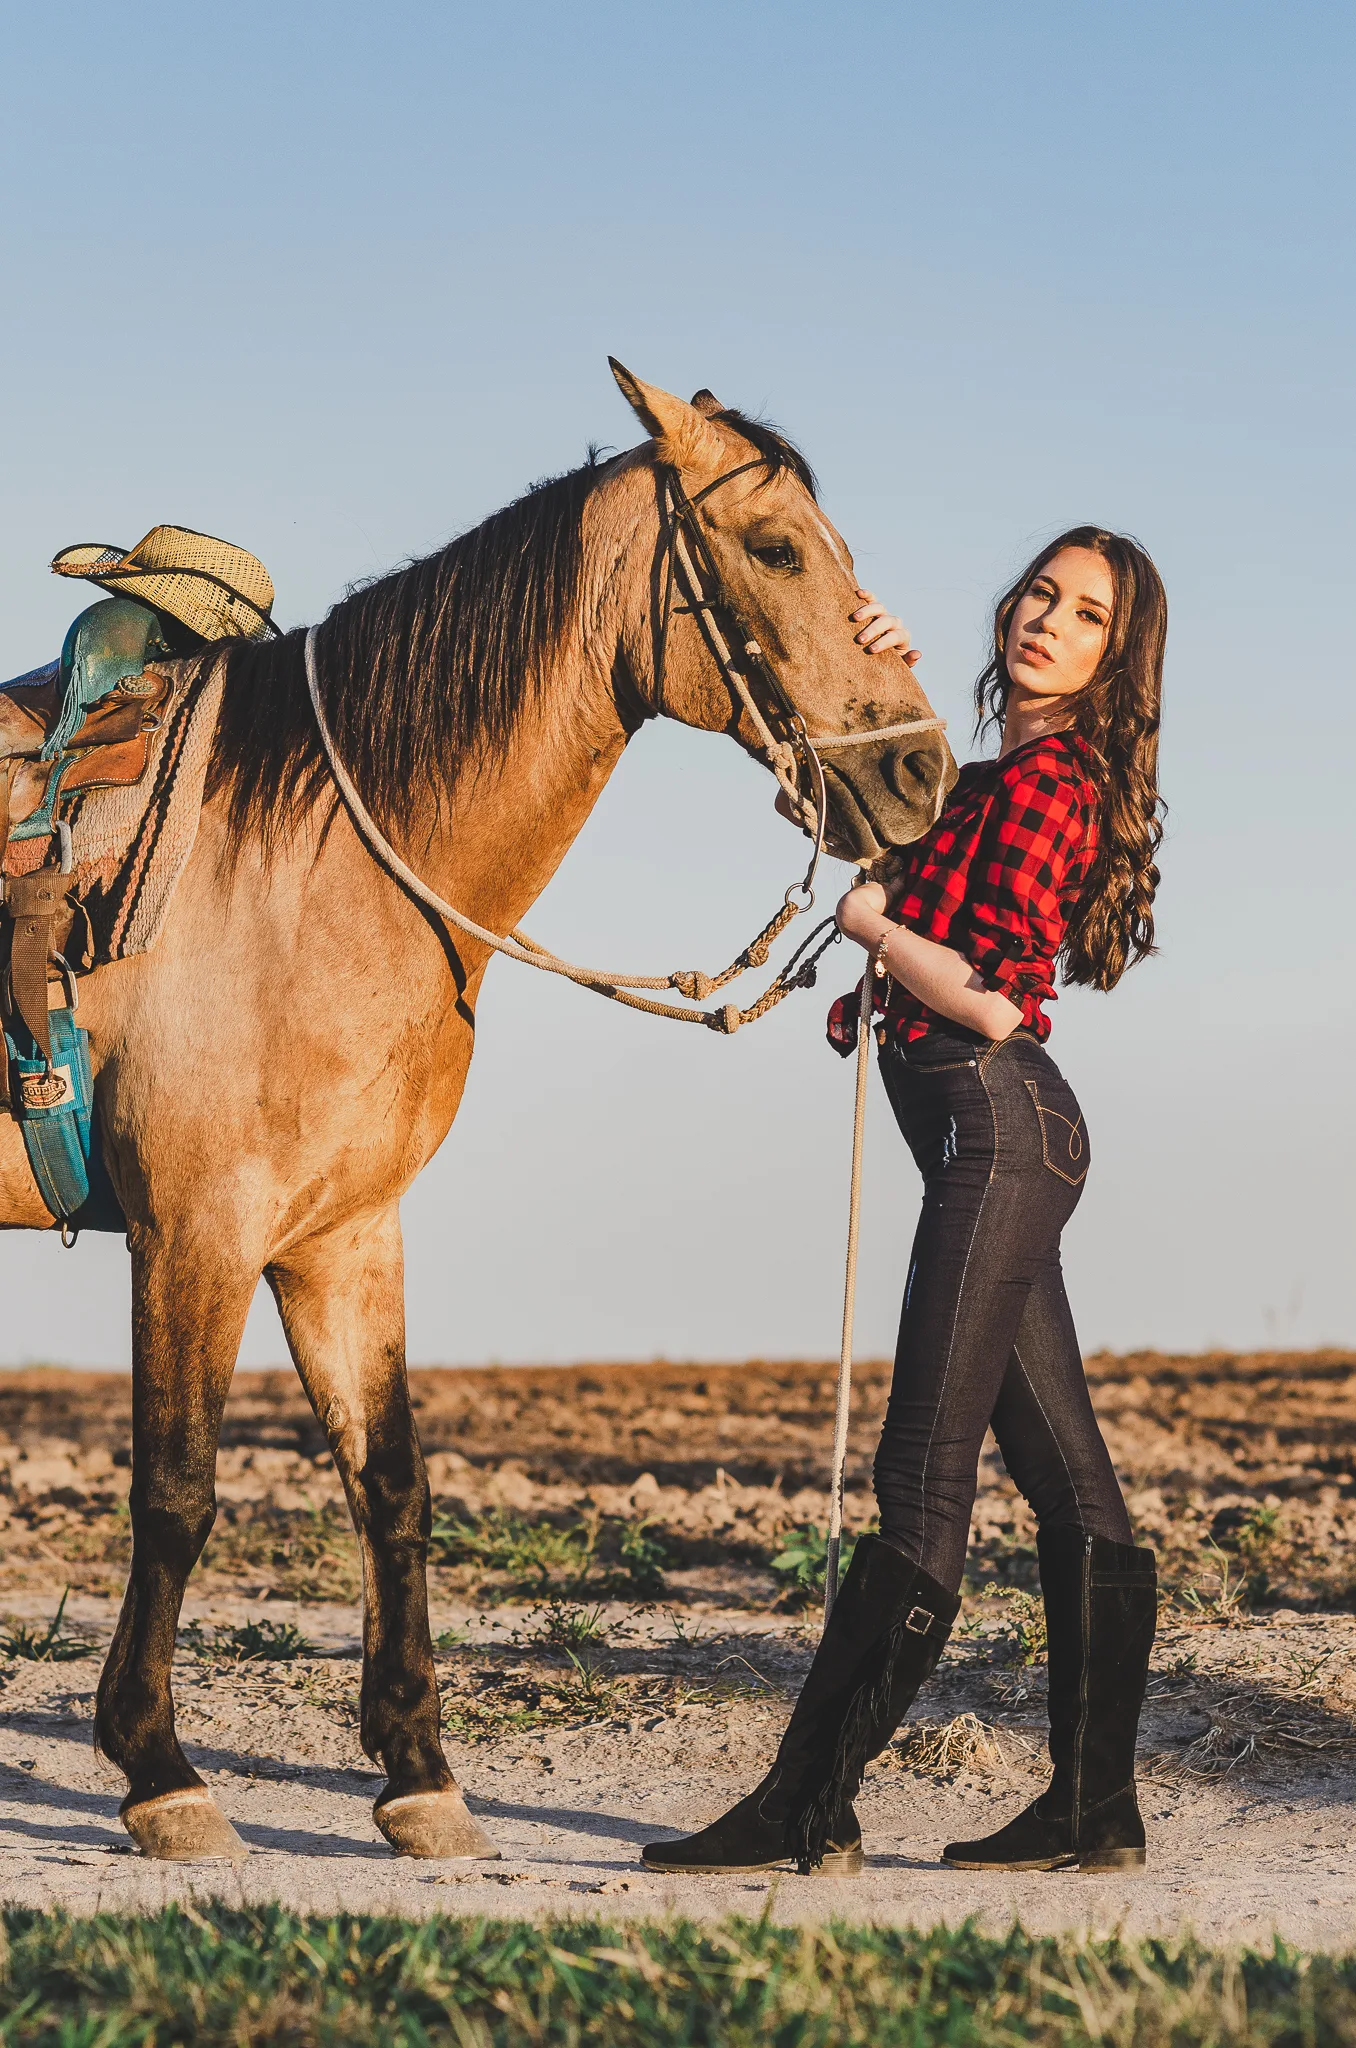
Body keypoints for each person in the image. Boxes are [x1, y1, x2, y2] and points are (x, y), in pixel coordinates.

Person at [643, 526, 1167, 1877]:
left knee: (921, 1477)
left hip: (998, 1126)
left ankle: (804, 1805)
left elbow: (1000, 998)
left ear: (1118, 660)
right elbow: (855, 804)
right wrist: (880, 679)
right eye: (1041, 593)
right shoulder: (994, 776)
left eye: (1087, 615)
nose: (1049, 619)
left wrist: (875, 932)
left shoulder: (1058, 784)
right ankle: (1094, 1814)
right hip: (1006, 1142)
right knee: (1072, 1489)